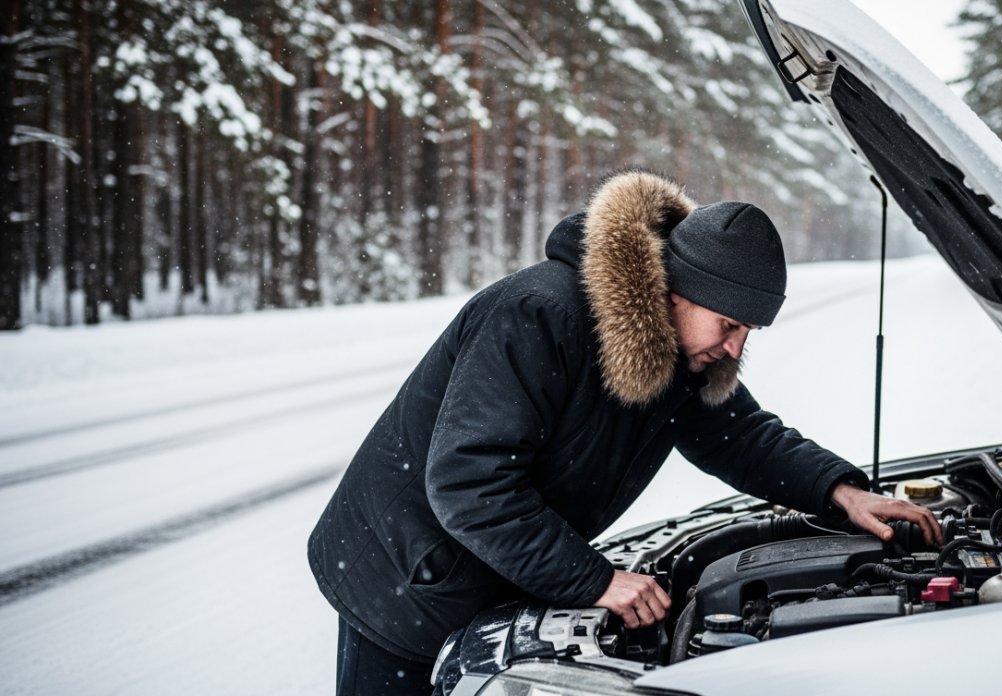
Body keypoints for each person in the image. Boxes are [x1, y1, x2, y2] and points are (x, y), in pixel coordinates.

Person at [309, 170, 941, 695]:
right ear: (673, 292)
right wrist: (596, 581)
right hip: (405, 580)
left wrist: (842, 492)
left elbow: (742, 436)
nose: (734, 347)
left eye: (749, 332)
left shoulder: (676, 355)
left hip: (490, 569)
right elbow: (469, 483)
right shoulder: (541, 313)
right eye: (727, 323)